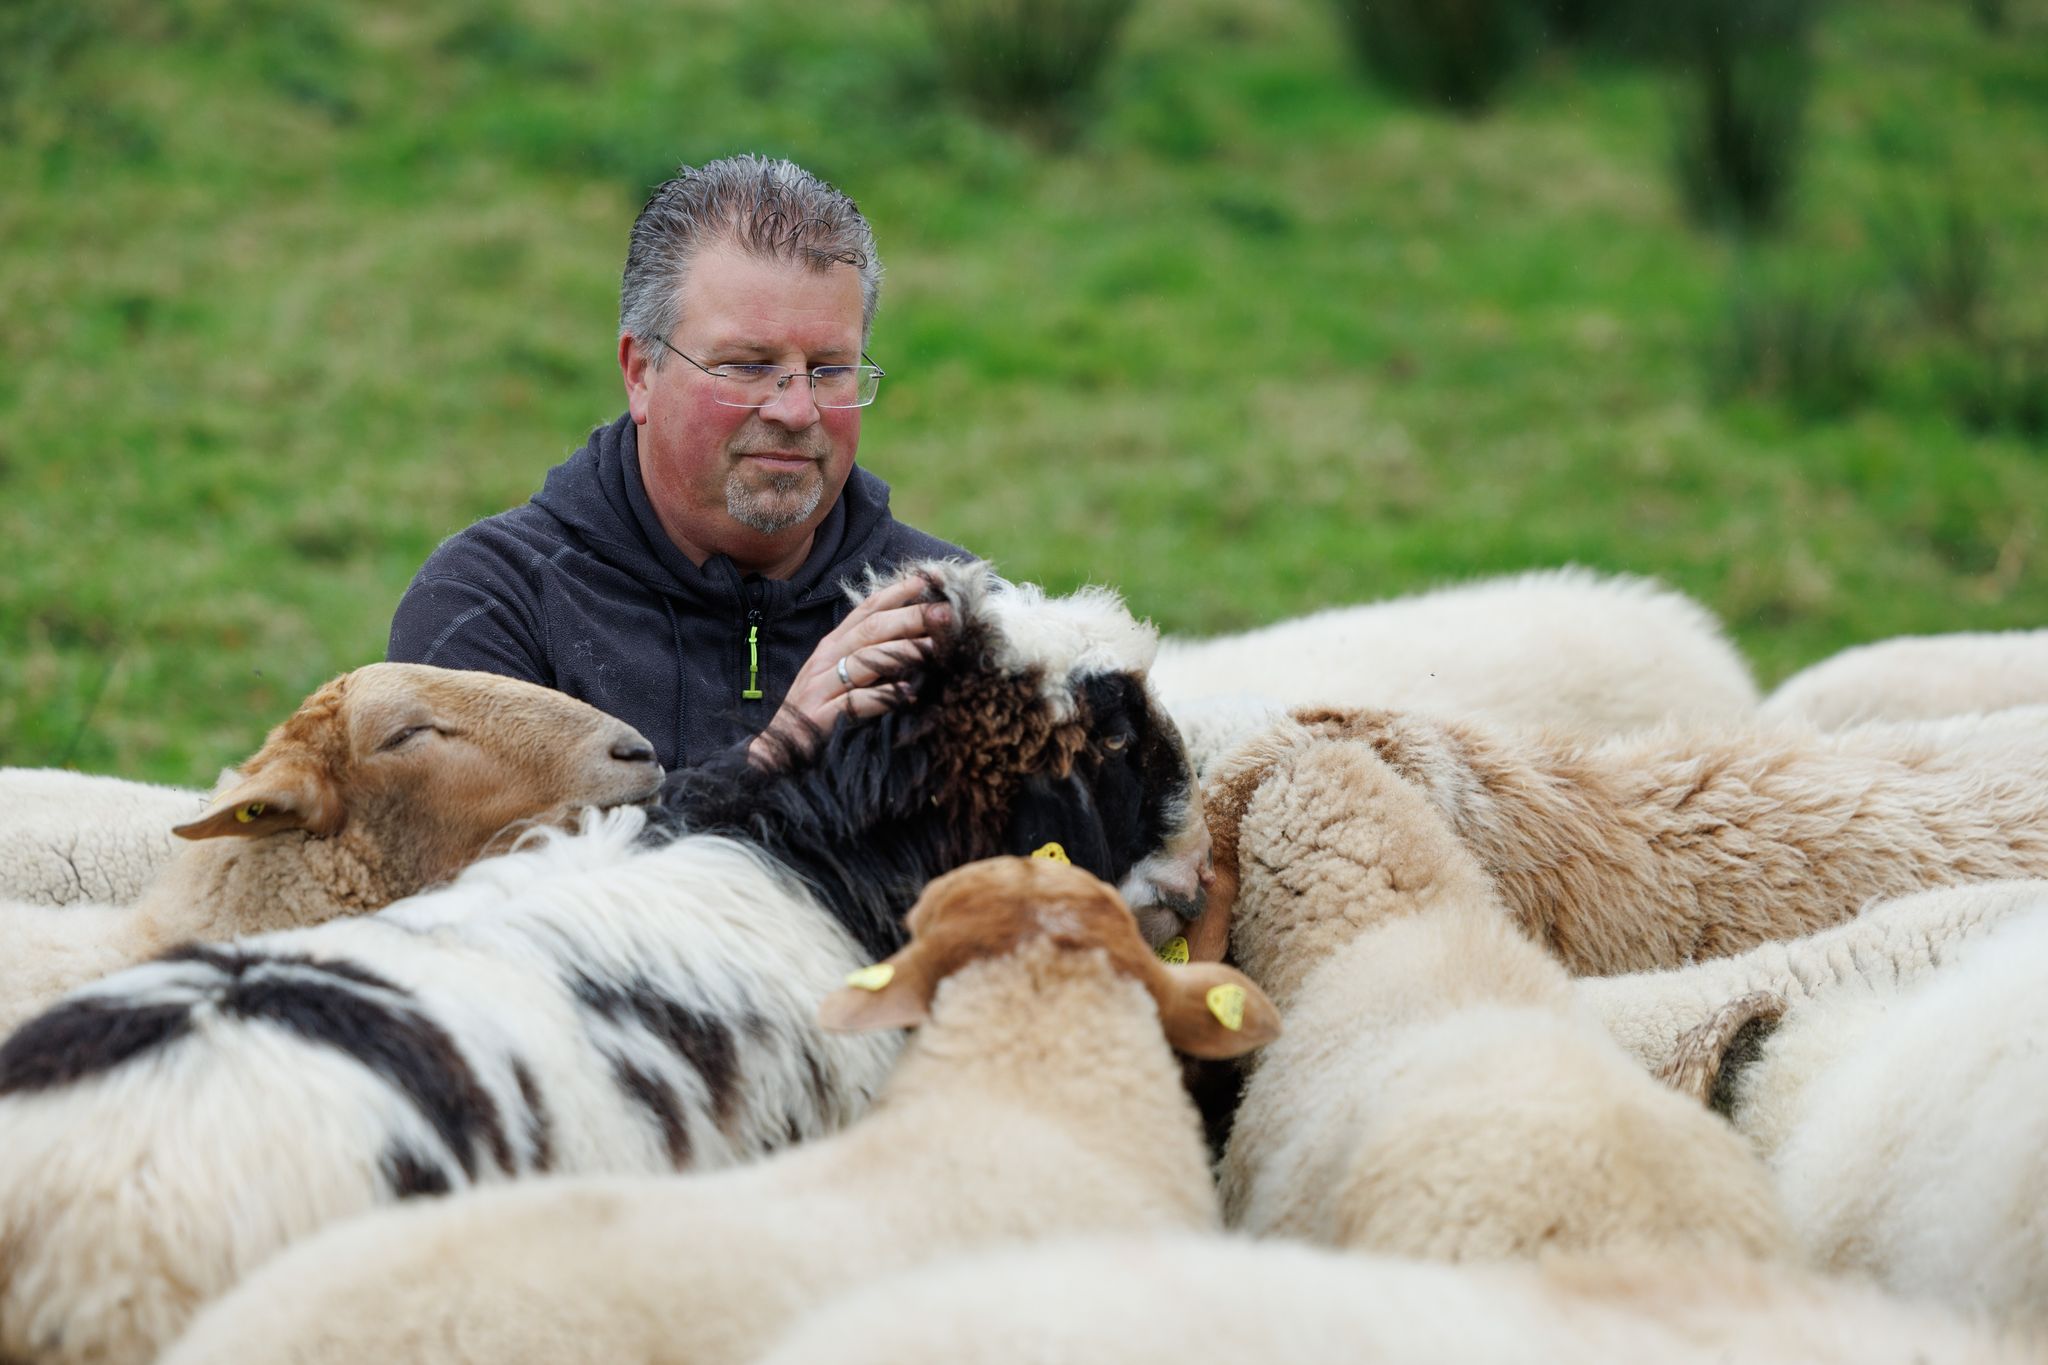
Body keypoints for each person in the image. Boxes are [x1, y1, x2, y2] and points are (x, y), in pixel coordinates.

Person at [388, 155, 971, 772]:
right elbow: (511, 869)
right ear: (641, 374)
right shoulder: (494, 607)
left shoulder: (949, 618)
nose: (798, 410)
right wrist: (777, 765)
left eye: (830, 370)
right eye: (748, 366)